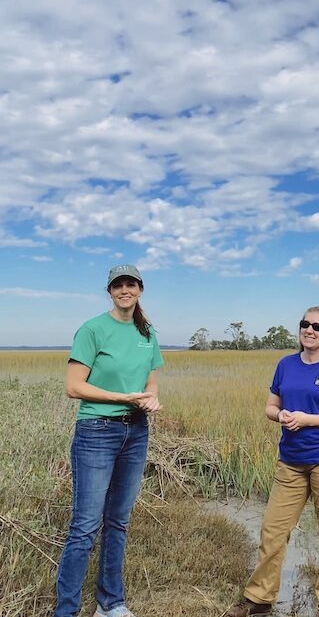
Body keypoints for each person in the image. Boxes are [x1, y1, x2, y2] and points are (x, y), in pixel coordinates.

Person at [226, 306, 319, 617]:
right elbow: (271, 407)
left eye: (318, 326)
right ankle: (259, 598)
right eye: (305, 324)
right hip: (291, 462)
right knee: (272, 530)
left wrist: (308, 419)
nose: (309, 330)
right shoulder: (286, 365)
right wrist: (282, 415)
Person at [53, 264, 164, 617]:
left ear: (140, 289)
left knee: (118, 520)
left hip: (136, 431)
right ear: (110, 291)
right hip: (97, 432)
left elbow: (150, 382)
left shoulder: (148, 333)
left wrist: (150, 398)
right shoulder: (92, 330)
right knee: (85, 526)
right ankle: (66, 610)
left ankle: (110, 602)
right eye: (118, 285)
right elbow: (74, 387)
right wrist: (123, 398)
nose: (124, 290)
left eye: (130, 284)